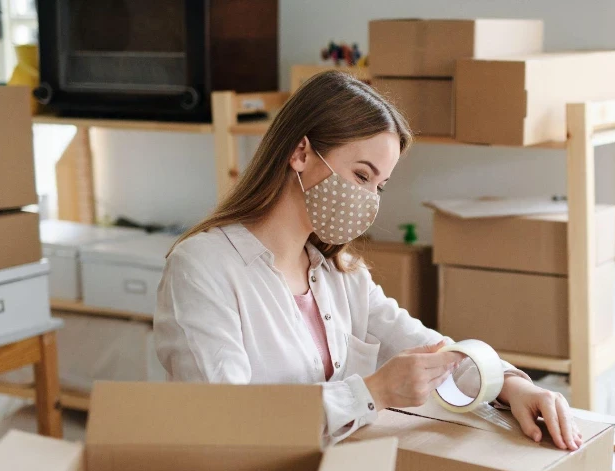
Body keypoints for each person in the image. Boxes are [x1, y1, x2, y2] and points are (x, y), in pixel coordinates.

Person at [155, 71, 581, 449]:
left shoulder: (340, 275)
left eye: (380, 186)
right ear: (301, 153)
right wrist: (373, 391)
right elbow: (222, 422)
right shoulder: (202, 267)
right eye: (361, 175)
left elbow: (424, 346)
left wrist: (509, 383)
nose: (368, 199)